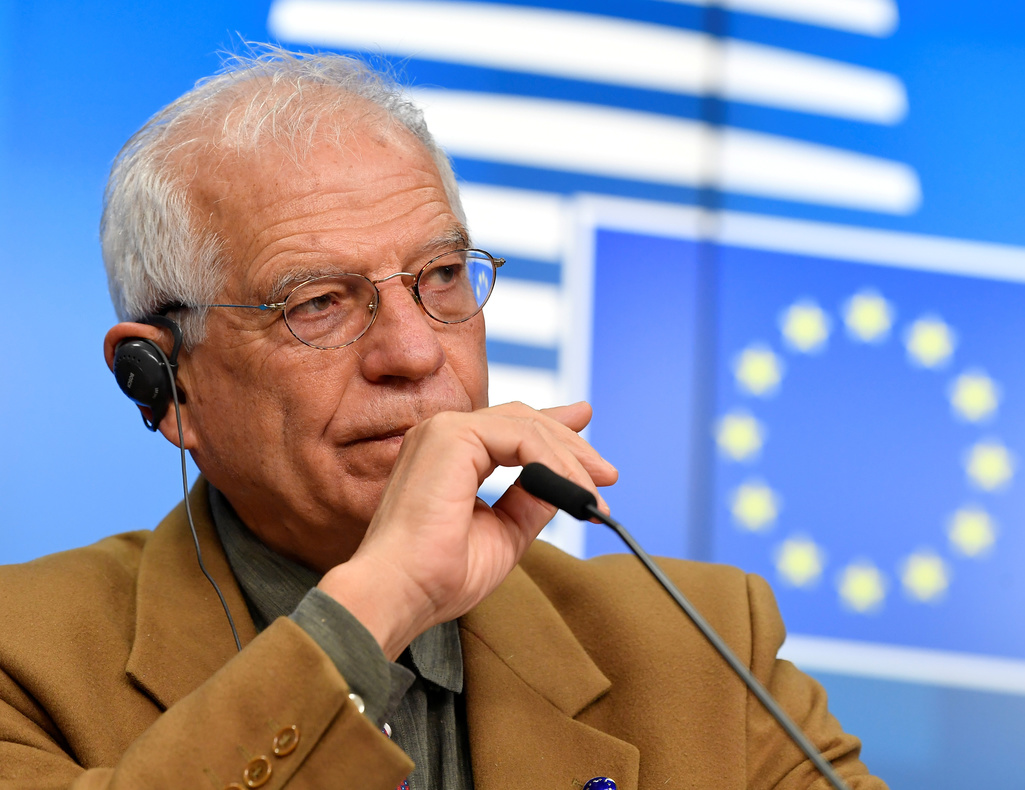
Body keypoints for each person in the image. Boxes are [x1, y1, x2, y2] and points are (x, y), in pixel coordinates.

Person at [0, 48, 887, 789]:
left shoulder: (706, 648)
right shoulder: (23, 662)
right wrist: (380, 601)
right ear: (162, 381)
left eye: (441, 277)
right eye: (317, 302)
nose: (416, 352)